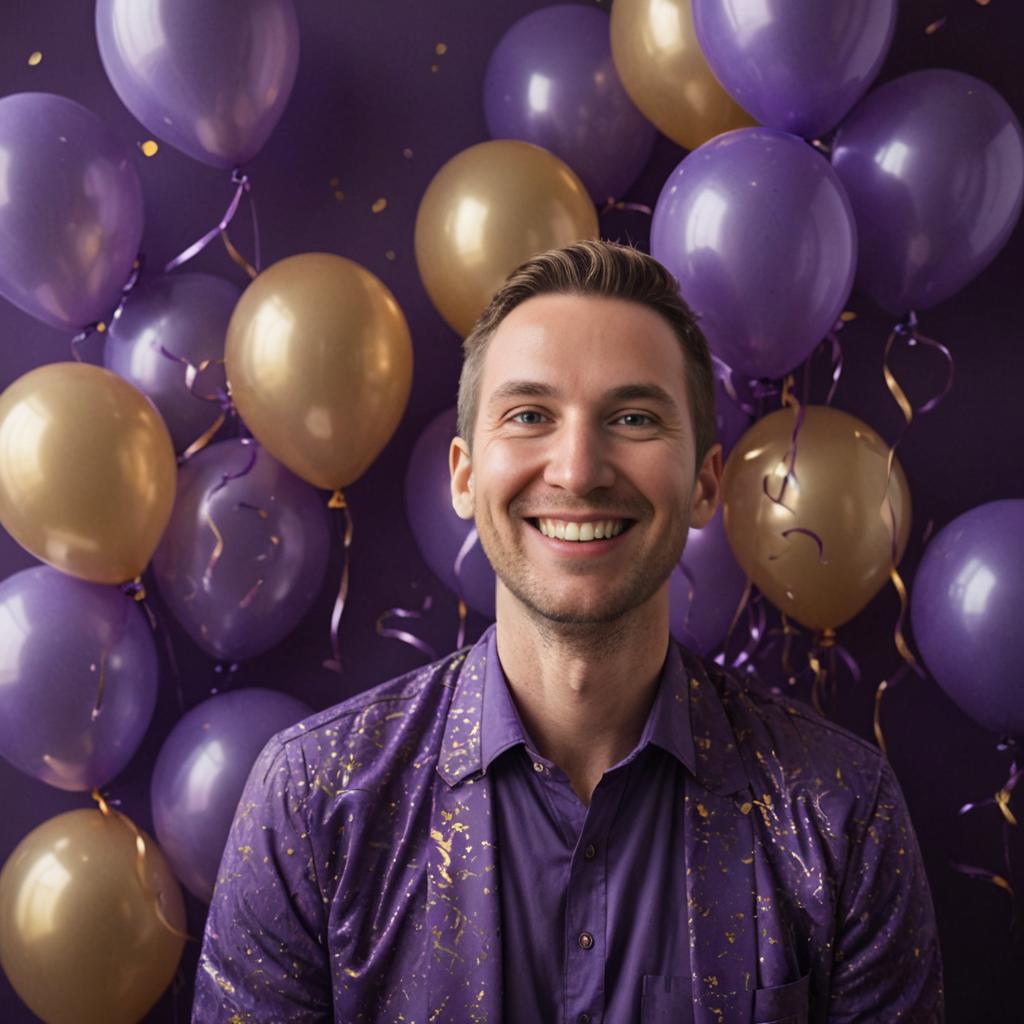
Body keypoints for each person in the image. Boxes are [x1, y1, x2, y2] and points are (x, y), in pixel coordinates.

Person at [192, 240, 944, 1023]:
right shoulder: (315, 803)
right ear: (463, 475)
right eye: (528, 415)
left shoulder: (841, 815)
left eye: (633, 417)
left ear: (705, 485)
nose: (578, 470)